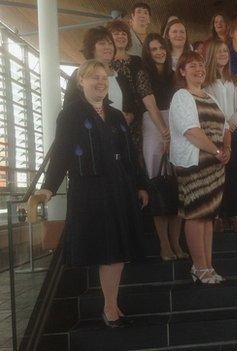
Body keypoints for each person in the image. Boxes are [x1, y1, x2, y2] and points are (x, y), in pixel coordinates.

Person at [33, 60, 149, 327]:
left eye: (103, 78)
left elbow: (132, 156)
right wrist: (49, 187)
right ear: (80, 81)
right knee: (107, 249)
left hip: (119, 189)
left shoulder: (117, 115)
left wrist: (141, 184)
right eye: (94, 77)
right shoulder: (71, 114)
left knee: (118, 250)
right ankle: (110, 308)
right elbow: (62, 153)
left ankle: (111, 305)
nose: (100, 82)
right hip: (90, 192)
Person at [169, 51, 230, 284]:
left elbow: (225, 128)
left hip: (214, 165)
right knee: (195, 215)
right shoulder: (182, 96)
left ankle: (207, 266)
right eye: (192, 66)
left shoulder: (210, 96)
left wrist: (227, 149)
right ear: (182, 71)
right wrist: (216, 151)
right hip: (194, 163)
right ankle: (199, 267)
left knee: (208, 216)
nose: (199, 69)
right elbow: (191, 131)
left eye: (201, 65)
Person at [141, 33, 186, 260]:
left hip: (175, 124)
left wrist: (174, 132)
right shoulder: (144, 73)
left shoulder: (173, 74)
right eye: (153, 49)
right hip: (153, 124)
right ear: (147, 53)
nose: (158, 52)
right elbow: (149, 103)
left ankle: (176, 242)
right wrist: (165, 132)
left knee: (177, 185)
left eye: (161, 48)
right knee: (158, 183)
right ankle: (164, 244)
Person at [203, 39, 237, 232]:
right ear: (212, 54)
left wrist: (231, 124)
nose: (223, 54)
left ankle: (234, 215)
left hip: (236, 131)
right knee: (217, 174)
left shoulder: (236, 78)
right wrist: (222, 126)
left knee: (235, 175)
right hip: (214, 133)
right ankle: (217, 215)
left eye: (225, 51)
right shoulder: (205, 80)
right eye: (219, 51)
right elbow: (206, 106)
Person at [107, 20, 169, 160]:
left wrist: (164, 131)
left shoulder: (136, 62)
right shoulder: (102, 63)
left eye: (124, 33)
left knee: (133, 164)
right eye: (116, 33)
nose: (121, 36)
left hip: (133, 122)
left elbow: (145, 94)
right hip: (106, 123)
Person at [63, 27, 133, 122]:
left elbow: (130, 107)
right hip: (90, 133)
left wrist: (129, 116)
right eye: (102, 43)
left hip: (117, 133)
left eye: (110, 43)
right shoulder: (79, 74)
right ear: (92, 48)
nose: (108, 47)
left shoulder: (120, 77)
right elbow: (69, 109)